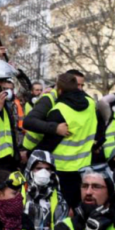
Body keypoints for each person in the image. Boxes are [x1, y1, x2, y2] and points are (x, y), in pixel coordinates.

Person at [28, 72, 101, 208]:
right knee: (79, 208)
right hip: (84, 166)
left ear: (59, 90)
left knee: (61, 209)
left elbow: (49, 142)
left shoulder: (59, 110)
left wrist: (29, 156)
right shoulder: (90, 103)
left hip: (61, 169)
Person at [21, 150, 69, 230]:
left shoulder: (58, 197)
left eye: (48, 169)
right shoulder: (18, 194)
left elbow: (61, 227)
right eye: (39, 168)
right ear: (30, 169)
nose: (43, 172)